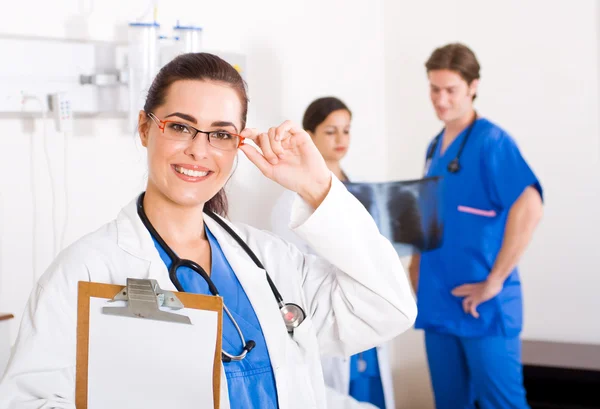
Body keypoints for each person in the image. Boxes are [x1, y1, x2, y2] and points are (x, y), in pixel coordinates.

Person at [0, 53, 417, 409]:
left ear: (238, 145)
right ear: (146, 128)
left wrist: (316, 185)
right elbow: (27, 399)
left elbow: (390, 306)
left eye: (220, 134)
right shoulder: (86, 271)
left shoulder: (271, 262)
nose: (199, 150)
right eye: (180, 126)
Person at [409, 43, 544, 409]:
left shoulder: (492, 142)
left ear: (473, 86)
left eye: (450, 90)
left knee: (504, 404)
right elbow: (433, 215)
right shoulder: (434, 146)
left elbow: (530, 205)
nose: (440, 99)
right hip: (438, 299)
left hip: (482, 304)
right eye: (434, 89)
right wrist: (414, 268)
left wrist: (495, 280)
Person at [271, 97, 396, 409]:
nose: (341, 140)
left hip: (366, 311)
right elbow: (290, 273)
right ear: (310, 136)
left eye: (346, 131)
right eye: (331, 132)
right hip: (326, 316)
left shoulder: (363, 195)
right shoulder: (290, 202)